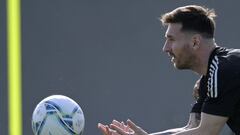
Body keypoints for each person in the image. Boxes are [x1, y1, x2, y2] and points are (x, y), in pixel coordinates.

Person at [98, 5, 240, 135]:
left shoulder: (223, 70)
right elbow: (191, 129)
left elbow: (205, 132)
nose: (165, 48)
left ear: (195, 42)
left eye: (171, 39)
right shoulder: (211, 77)